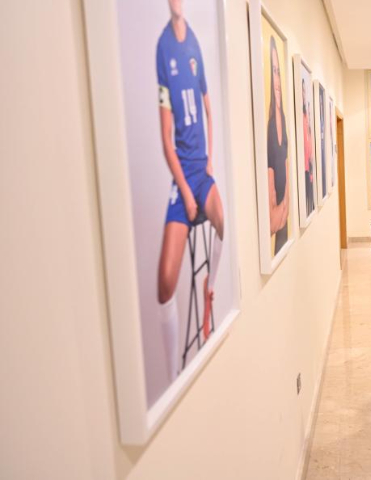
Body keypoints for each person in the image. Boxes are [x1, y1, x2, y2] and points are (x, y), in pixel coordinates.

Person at [156, 0, 225, 381]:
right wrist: (184, 189)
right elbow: (166, 139)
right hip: (182, 176)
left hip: (203, 172)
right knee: (165, 282)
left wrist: (210, 160)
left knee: (221, 223)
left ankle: (210, 288)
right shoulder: (164, 48)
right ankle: (173, 379)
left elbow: (209, 109)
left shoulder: (195, 42)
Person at [267, 36, 289, 253]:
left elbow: (289, 169)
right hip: (278, 213)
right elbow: (273, 221)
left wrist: (286, 206)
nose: (277, 79)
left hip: (286, 212)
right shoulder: (271, 127)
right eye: (272, 70)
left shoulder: (285, 122)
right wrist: (282, 208)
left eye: (278, 72)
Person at [301, 78, 315, 217]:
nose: (303, 95)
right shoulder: (301, 118)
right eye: (302, 91)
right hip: (304, 172)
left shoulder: (307, 118)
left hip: (310, 172)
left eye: (305, 91)